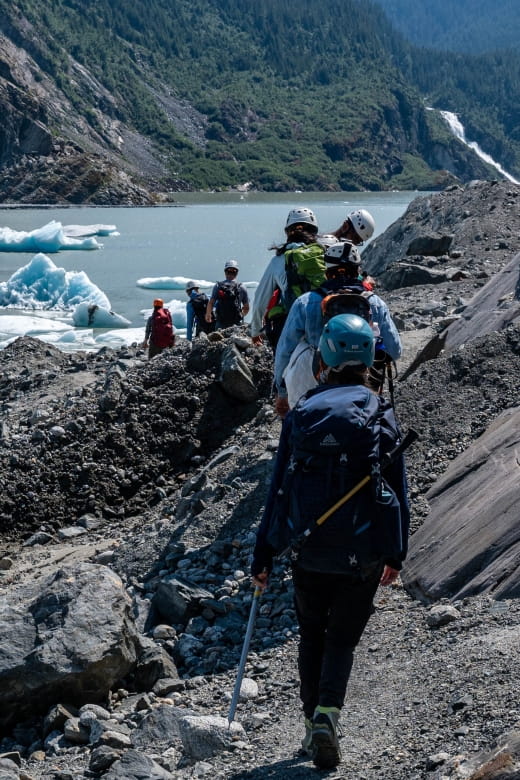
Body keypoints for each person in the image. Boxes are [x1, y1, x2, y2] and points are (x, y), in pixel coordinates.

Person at [251, 314, 410, 770]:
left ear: (323, 358)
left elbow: (278, 488)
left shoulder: (303, 411)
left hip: (308, 546)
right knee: (341, 639)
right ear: (369, 358)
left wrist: (264, 553)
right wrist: (395, 552)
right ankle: (327, 714)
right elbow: (397, 488)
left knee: (311, 635)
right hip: (362, 551)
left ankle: (310, 725)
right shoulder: (380, 411)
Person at [273, 240, 402, 417]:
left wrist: (282, 393)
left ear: (326, 273)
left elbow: (284, 350)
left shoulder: (305, 302)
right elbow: (395, 350)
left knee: (303, 347)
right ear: (357, 271)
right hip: (363, 380)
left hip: (316, 377)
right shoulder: (375, 303)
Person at [250, 208, 376, 350]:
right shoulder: (326, 251)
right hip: (329, 318)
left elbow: (260, 299)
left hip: (295, 324)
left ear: (287, 232)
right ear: (315, 231)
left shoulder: (278, 260)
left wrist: (255, 331)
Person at [205, 260, 249, 330]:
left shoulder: (218, 286)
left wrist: (208, 314)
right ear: (237, 273)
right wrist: (241, 315)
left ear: (225, 272)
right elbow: (246, 308)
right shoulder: (242, 287)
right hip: (236, 323)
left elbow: (211, 303)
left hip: (220, 322)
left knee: (218, 336)